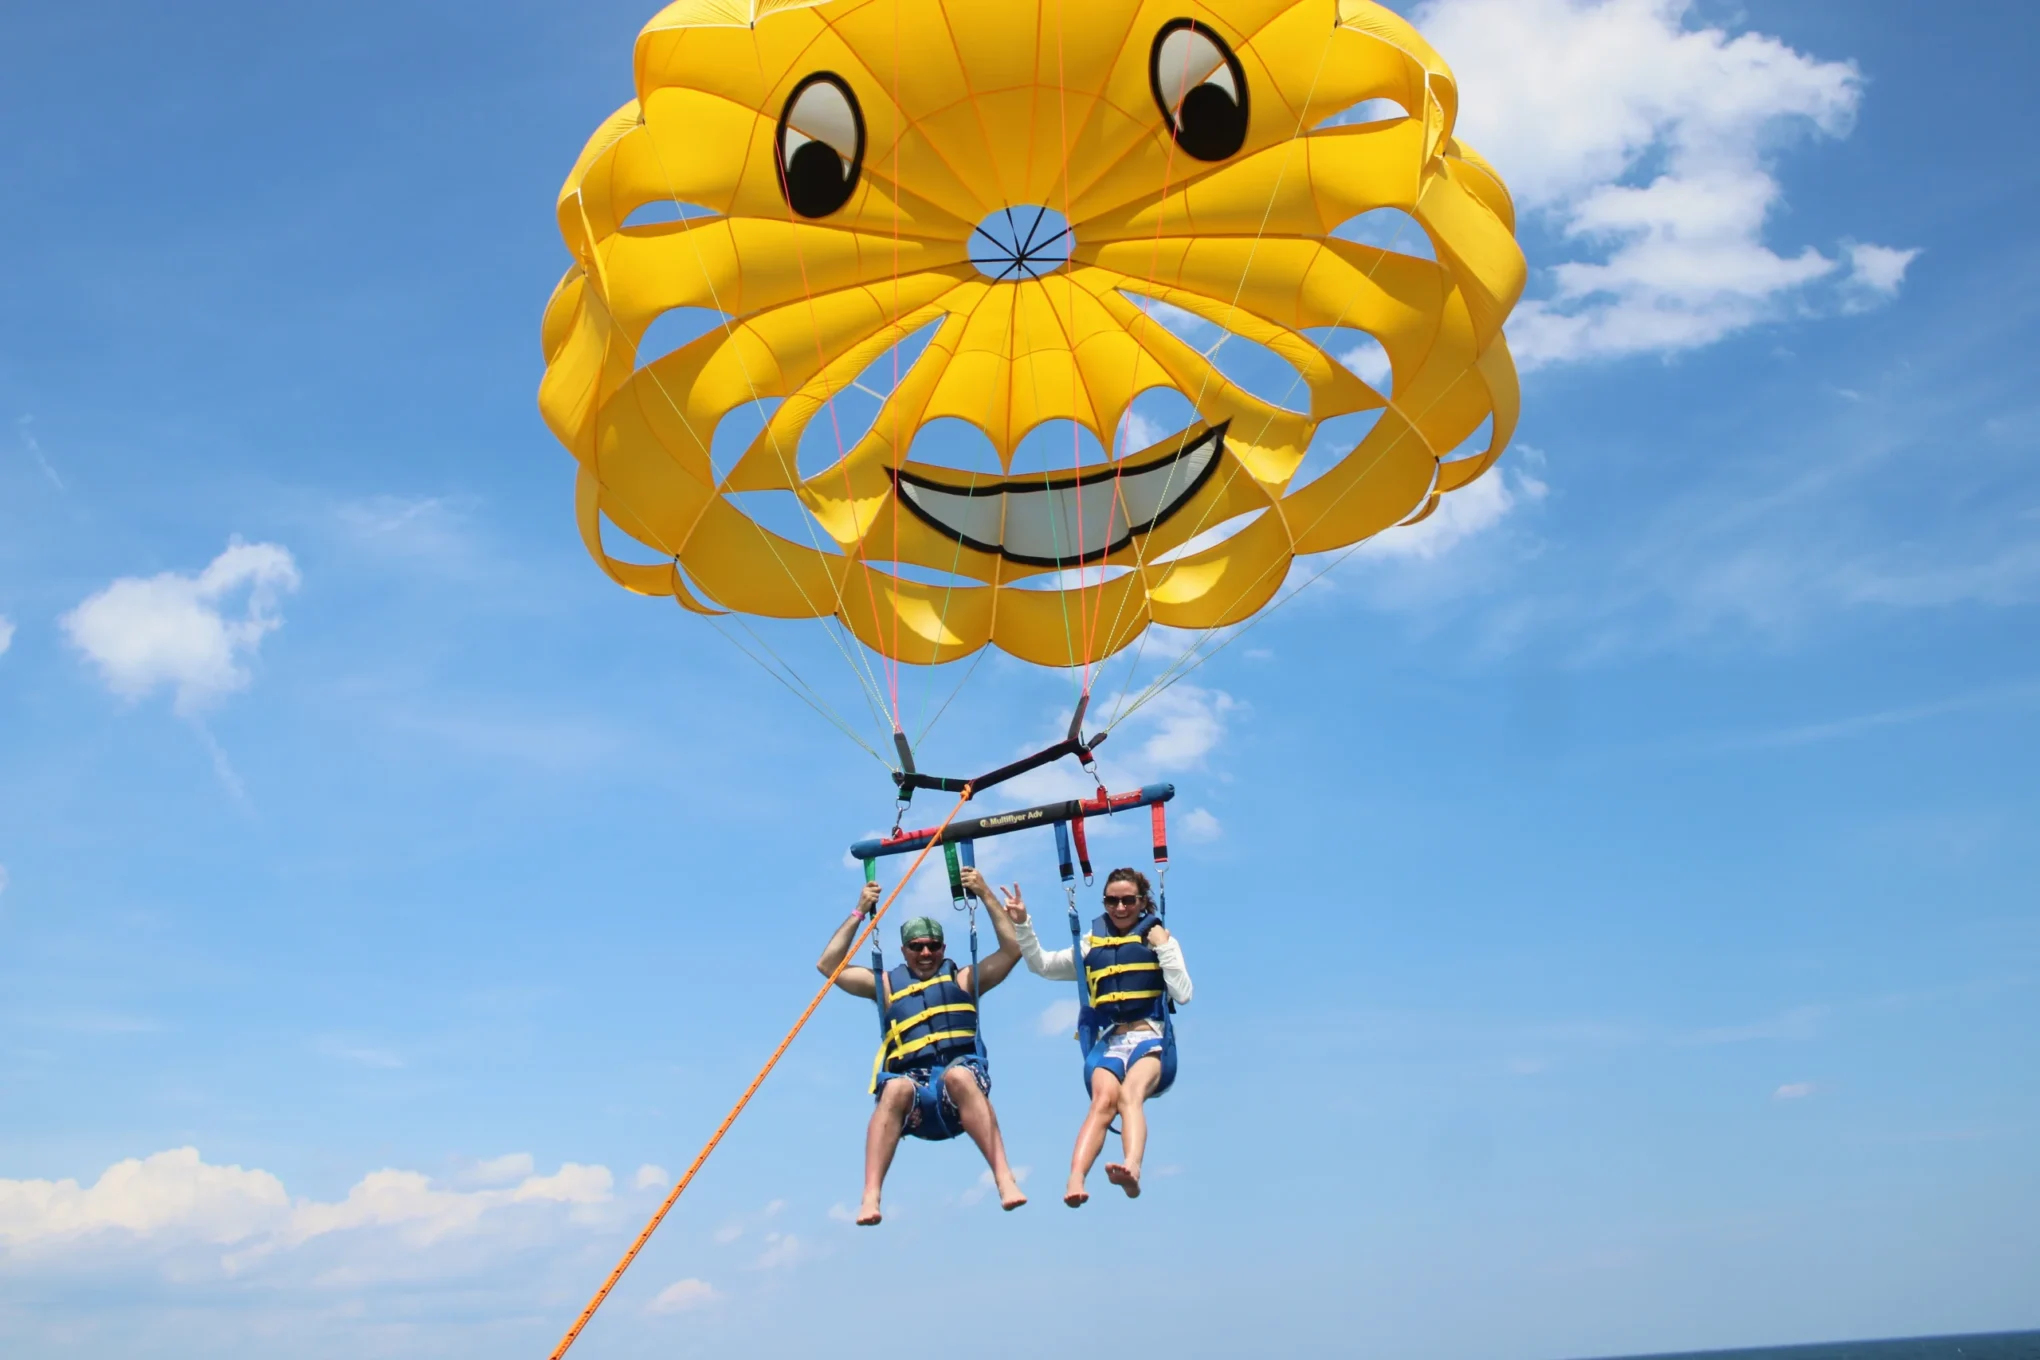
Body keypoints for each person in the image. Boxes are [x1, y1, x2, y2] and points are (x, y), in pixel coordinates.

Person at [817, 866, 1028, 1225]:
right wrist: (858, 911)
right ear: (904, 950)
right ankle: (871, 1195)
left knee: (959, 1077)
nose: (926, 953)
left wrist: (985, 894)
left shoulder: (964, 979)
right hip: (913, 1096)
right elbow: (828, 965)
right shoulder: (885, 985)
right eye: (917, 947)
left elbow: (1012, 950)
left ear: (943, 947)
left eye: (933, 946)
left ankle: (1004, 1177)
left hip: (959, 1088)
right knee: (895, 1086)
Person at [998, 867, 1192, 1206]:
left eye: (1128, 901)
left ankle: (1132, 1167)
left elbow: (1183, 993)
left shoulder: (1160, 939)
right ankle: (1076, 1178)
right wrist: (1023, 923)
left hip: (1151, 1036)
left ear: (1142, 902)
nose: (1119, 908)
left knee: (1130, 1095)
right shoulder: (1091, 945)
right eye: (1112, 901)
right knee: (1102, 1101)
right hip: (1112, 1040)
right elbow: (1042, 965)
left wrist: (1164, 948)